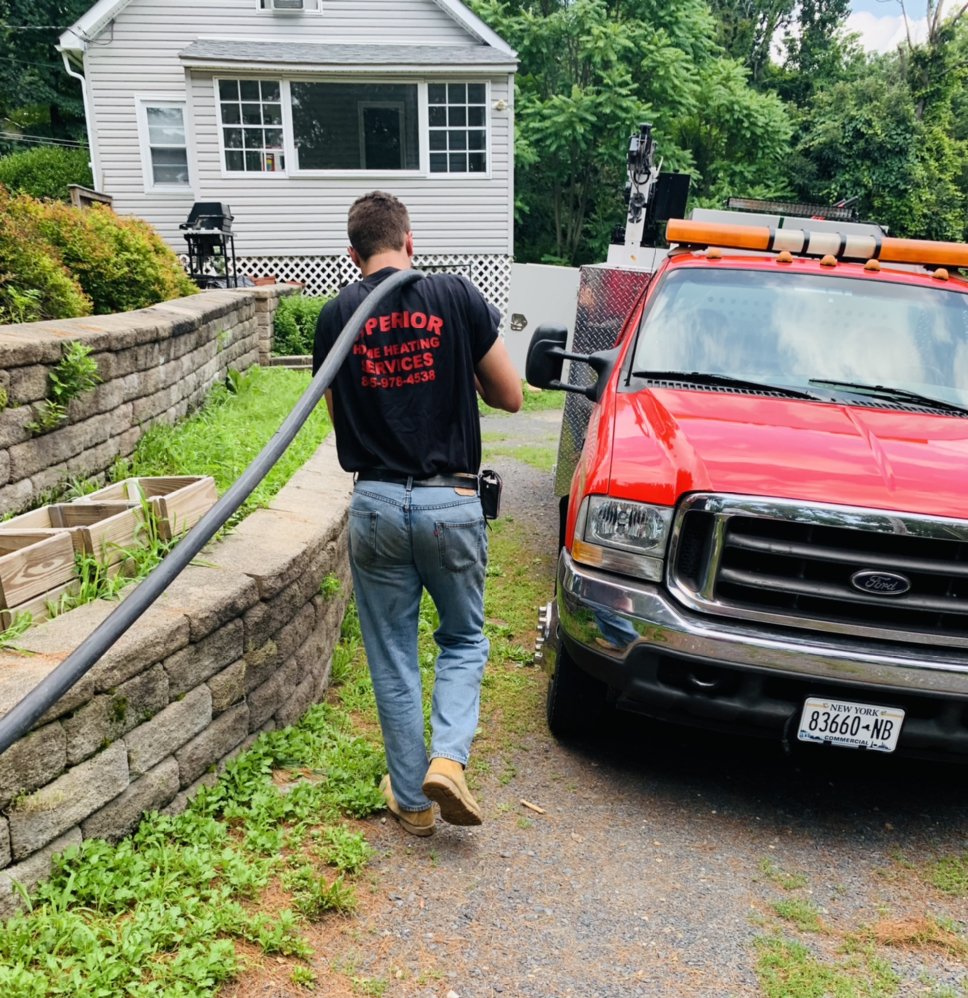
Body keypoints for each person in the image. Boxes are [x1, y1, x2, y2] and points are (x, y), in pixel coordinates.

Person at [313, 191, 522, 837]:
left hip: (375, 502)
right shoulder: (456, 295)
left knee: (392, 654)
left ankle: (411, 799)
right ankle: (448, 760)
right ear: (410, 241)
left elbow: (339, 418)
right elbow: (511, 395)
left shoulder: (336, 315)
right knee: (463, 638)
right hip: (449, 501)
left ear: (353, 255)